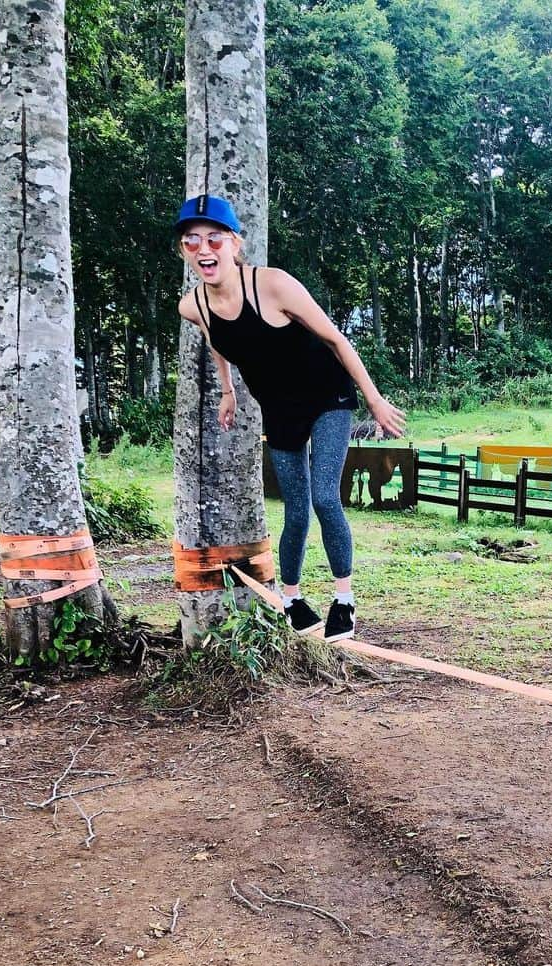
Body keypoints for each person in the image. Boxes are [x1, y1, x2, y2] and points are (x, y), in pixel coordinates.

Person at [175, 193, 405, 642]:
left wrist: (374, 399)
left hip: (327, 397)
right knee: (294, 510)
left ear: (235, 243)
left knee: (323, 496)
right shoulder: (193, 306)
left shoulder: (274, 285)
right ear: (183, 250)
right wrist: (227, 392)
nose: (204, 249)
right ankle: (294, 601)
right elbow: (218, 342)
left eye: (215, 239)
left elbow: (337, 340)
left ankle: (344, 601)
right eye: (192, 241)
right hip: (278, 410)